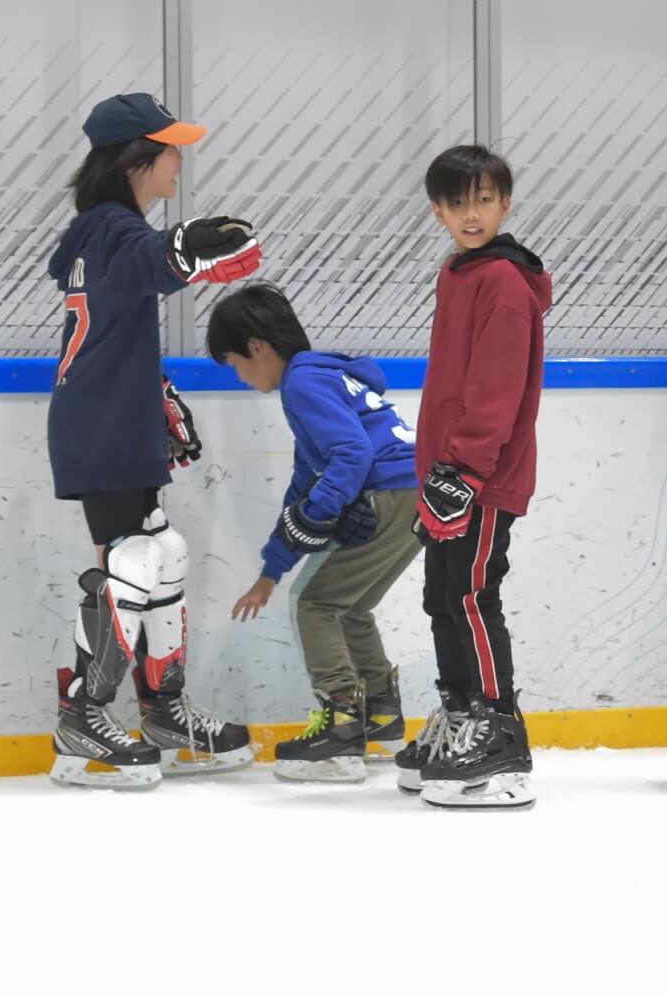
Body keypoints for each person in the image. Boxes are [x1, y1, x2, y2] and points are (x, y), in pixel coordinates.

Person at [45, 92, 262, 791]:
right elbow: (155, 259)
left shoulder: (99, 230)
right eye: (169, 148)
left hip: (115, 415)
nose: (179, 159)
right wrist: (189, 245)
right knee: (134, 560)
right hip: (102, 424)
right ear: (137, 157)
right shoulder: (113, 231)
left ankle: (162, 711)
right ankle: (83, 717)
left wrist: (156, 395)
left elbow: (113, 322)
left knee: (161, 553)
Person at [210, 283, 422, 784]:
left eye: (235, 364)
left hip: (387, 495)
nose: (240, 377)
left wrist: (322, 511)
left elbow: (352, 455)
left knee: (315, 604)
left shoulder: (302, 383)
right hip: (416, 496)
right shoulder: (323, 376)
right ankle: (383, 720)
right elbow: (305, 481)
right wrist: (271, 568)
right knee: (350, 608)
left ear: (257, 347)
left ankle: (342, 727)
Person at [395, 144, 552, 811]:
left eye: (483, 199)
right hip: (448, 473)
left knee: (471, 596)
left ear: (505, 203)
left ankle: (500, 725)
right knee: (441, 597)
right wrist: (438, 470)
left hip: (481, 478)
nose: (471, 212)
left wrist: (462, 470)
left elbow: (495, 388)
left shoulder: (503, 284)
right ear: (438, 209)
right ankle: (461, 713)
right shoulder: (459, 272)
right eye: (456, 202)